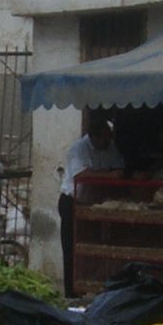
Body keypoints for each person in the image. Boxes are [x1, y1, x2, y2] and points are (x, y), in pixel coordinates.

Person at [58, 121, 124, 296]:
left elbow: (119, 168)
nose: (106, 143)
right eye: (103, 139)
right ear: (94, 137)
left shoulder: (109, 147)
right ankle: (71, 292)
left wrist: (111, 175)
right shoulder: (78, 149)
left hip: (94, 203)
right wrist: (109, 175)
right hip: (72, 201)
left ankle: (92, 286)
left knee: (93, 245)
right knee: (72, 246)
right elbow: (81, 174)